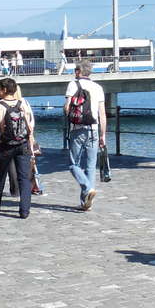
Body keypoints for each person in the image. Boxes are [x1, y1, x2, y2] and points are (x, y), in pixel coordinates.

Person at [0, 78, 39, 219]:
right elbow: (29, 125)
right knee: (24, 178)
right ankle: (24, 210)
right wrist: (31, 140)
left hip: (5, 146)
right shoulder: (23, 103)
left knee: (0, 176)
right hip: (22, 144)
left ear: (4, 90)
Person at [64, 60, 106, 211]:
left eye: (75, 70)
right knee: (90, 166)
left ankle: (88, 189)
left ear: (78, 71)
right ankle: (86, 203)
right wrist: (103, 135)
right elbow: (102, 114)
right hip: (94, 129)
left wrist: (69, 113)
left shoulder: (73, 84)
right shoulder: (98, 87)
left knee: (73, 164)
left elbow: (67, 108)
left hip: (77, 129)